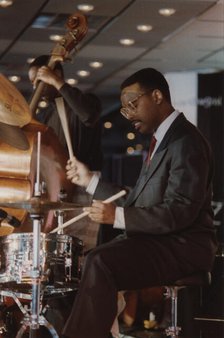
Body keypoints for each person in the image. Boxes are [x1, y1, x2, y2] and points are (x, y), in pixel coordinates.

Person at [62, 67, 217, 338]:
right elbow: (137, 198)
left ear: (157, 95)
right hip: (161, 241)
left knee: (100, 261)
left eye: (132, 104)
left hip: (183, 246)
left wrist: (117, 217)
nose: (129, 114)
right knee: (90, 260)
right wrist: (89, 181)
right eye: (124, 110)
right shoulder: (163, 139)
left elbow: (180, 210)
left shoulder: (186, 140)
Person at [28, 55, 103, 171]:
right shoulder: (46, 115)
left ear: (56, 74)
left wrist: (56, 81)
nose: (35, 88)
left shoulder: (87, 101)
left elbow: (88, 116)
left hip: (85, 182)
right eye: (32, 83)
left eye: (38, 81)